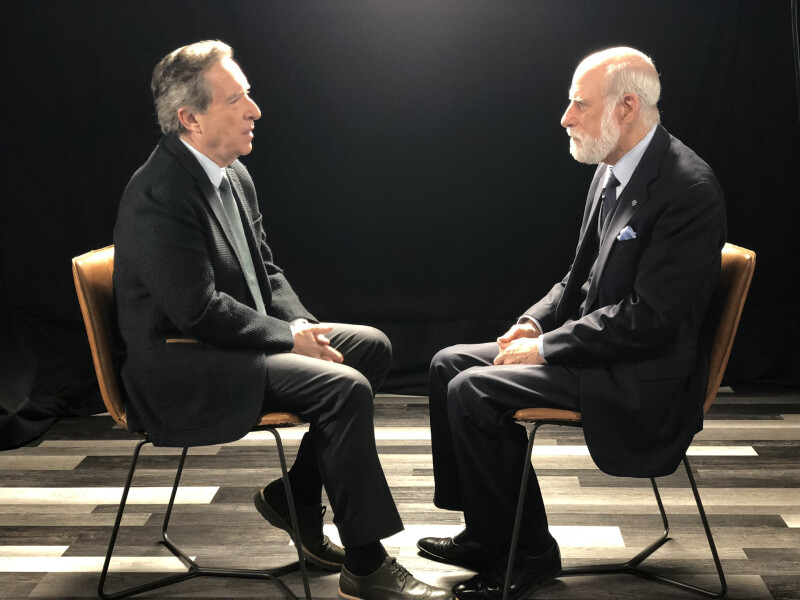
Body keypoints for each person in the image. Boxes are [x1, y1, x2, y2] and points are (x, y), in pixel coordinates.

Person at [113, 40, 454, 600]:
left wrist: (302, 328)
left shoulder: (232, 174)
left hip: (228, 344)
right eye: (236, 100)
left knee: (369, 347)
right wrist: (289, 340)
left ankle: (295, 495)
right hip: (181, 366)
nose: (255, 110)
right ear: (191, 118)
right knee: (343, 388)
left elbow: (265, 272)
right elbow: (197, 311)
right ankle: (367, 565)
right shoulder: (159, 193)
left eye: (248, 94)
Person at [417, 47, 726, 599]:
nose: (566, 118)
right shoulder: (611, 170)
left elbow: (648, 319)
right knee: (448, 365)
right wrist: (534, 326)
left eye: (580, 104)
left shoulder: (688, 189)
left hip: (640, 374)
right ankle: (489, 534)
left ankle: (531, 552)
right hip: (603, 350)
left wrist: (546, 350)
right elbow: (578, 279)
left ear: (626, 106)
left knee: (473, 389)